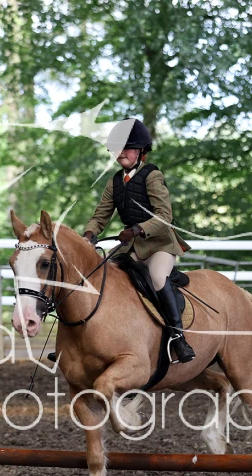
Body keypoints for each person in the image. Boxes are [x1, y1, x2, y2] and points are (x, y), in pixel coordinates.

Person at [83, 118, 195, 363]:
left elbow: (164, 216)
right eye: (117, 149)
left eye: (127, 148)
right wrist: (89, 234)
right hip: (132, 247)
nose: (121, 153)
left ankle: (179, 338)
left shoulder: (152, 176)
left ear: (141, 151)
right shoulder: (115, 181)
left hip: (159, 245)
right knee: (103, 274)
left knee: (157, 277)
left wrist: (136, 230)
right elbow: (100, 215)